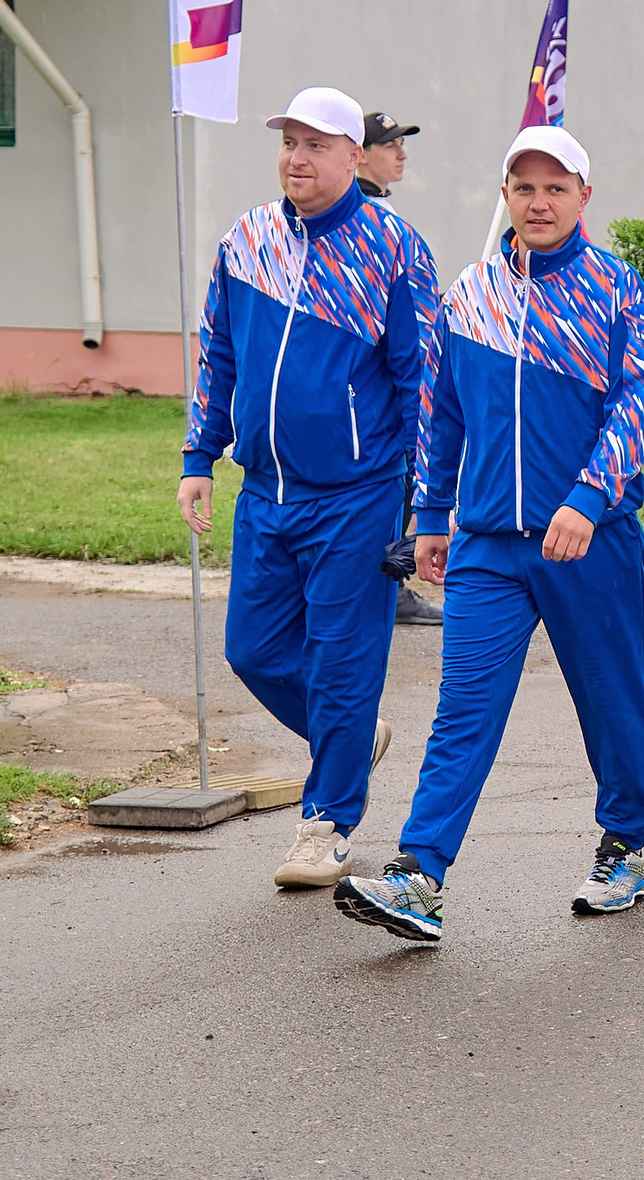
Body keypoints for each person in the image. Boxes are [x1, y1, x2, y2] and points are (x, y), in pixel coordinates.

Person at [335, 127, 644, 943]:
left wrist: (588, 500)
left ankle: (625, 845)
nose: (539, 203)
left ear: (584, 196)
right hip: (488, 546)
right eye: (524, 188)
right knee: (462, 711)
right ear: (505, 196)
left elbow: (634, 405)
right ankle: (419, 875)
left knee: (612, 703)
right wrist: (432, 518)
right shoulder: (469, 294)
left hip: (590, 539)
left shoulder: (617, 289)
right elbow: (439, 417)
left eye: (556, 188)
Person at [180, 87, 436, 893]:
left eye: (316, 145)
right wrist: (198, 455)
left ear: (354, 158)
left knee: (342, 661)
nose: (297, 157)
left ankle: (327, 824)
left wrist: (425, 504)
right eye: (290, 141)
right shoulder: (246, 240)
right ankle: (351, 737)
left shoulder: (394, 248)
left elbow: (422, 383)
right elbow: (218, 352)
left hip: (355, 494)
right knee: (250, 649)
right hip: (266, 492)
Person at [355, 111, 440, 626]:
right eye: (390, 145)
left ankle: (390, 577)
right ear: (358, 153)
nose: (401, 153)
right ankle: (389, 581)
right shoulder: (365, 219)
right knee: (394, 486)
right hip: (373, 394)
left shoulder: (381, 213)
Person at [356, 112, 417, 199]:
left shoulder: (377, 203)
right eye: (390, 147)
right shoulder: (354, 208)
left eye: (401, 144)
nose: (403, 155)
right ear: (362, 155)